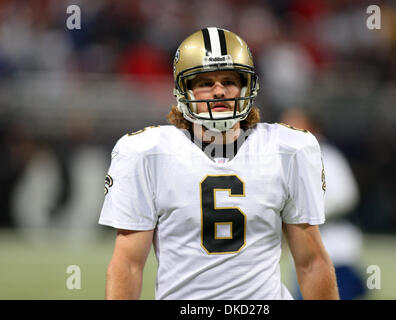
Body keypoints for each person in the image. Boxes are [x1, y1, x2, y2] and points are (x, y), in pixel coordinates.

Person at [98, 27, 339, 300]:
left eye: (229, 81)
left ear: (247, 86)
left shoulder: (287, 149)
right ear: (183, 90)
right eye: (205, 83)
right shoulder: (147, 153)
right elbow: (128, 265)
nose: (219, 91)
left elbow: (311, 263)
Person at [280, 108, 366, 300]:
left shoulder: (326, 155)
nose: (287, 130)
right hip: (304, 251)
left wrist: (300, 212)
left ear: (312, 128)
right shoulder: (288, 158)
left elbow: (346, 195)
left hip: (334, 247)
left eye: (294, 125)